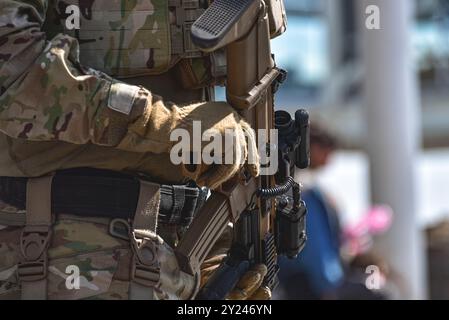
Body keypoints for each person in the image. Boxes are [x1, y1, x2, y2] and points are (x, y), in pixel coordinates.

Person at [0, 0, 269, 300]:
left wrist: (207, 252)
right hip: (65, 250)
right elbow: (13, 76)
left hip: (170, 252)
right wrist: (167, 125)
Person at [274, 123, 386, 300]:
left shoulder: (294, 185)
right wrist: (327, 285)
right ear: (312, 147)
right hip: (309, 282)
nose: (329, 159)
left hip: (297, 280)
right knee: (380, 293)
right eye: (326, 151)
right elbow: (314, 247)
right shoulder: (304, 191)